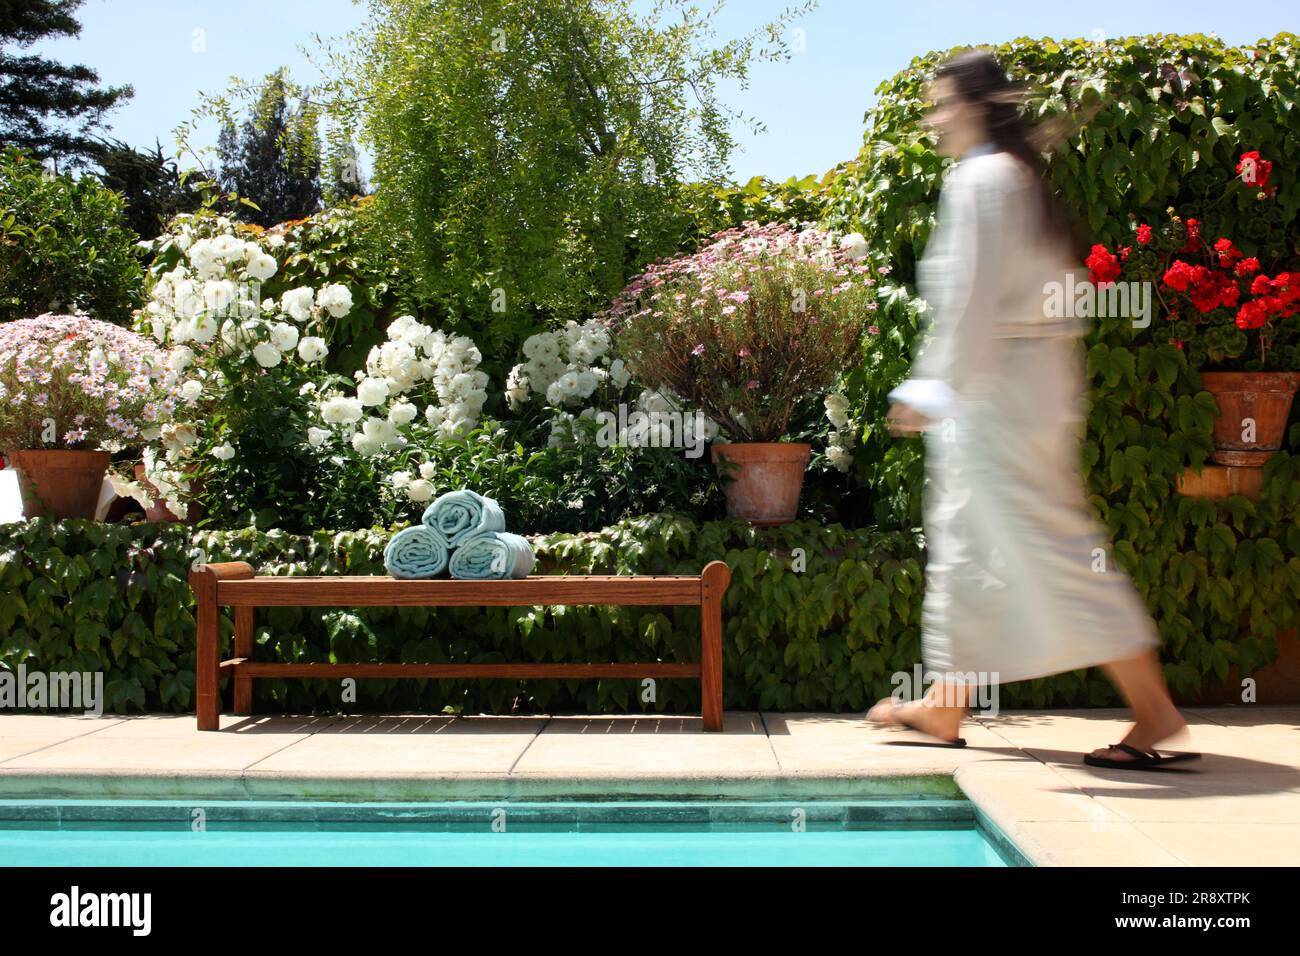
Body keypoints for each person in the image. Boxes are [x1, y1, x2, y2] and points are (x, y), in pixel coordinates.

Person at [866, 50, 1199, 770]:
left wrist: (932, 385)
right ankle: (944, 706)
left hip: (1000, 391)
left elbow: (975, 297)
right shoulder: (1014, 177)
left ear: (976, 106)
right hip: (1018, 385)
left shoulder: (984, 178)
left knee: (1048, 544)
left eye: (942, 103)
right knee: (968, 541)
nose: (934, 117)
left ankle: (1155, 712)